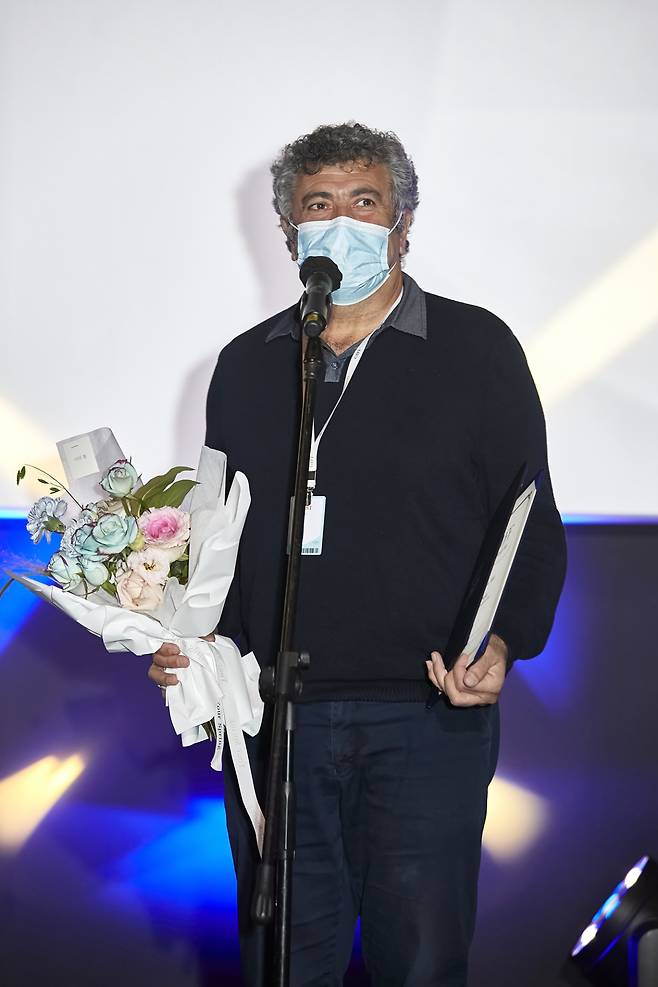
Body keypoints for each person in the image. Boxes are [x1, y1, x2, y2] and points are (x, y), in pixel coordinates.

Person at [149, 122, 567, 986]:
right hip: (279, 717)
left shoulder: (476, 348)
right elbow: (218, 528)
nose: (340, 222)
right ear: (288, 232)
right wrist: (190, 636)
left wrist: (503, 644)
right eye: (318, 206)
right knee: (285, 959)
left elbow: (528, 513)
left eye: (363, 202)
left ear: (403, 223)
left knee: (419, 959)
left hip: (424, 712)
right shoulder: (246, 363)